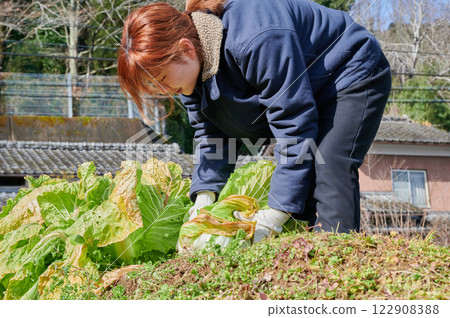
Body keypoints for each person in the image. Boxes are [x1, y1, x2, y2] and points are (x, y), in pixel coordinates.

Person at [117, 0, 391, 242]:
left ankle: (336, 264)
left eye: (163, 80)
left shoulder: (254, 37)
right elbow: (211, 135)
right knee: (300, 191)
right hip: (304, 91)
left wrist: (276, 212)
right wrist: (205, 194)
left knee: (328, 163)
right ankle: (302, 268)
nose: (166, 92)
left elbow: (293, 122)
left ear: (186, 49)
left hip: (349, 70)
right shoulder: (189, 78)